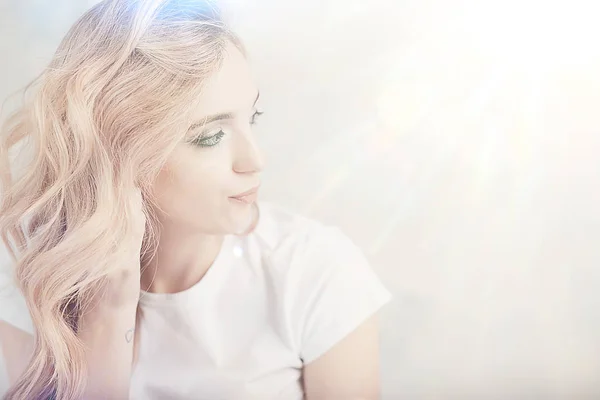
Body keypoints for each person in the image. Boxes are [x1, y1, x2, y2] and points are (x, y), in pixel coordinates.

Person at [0, 0, 392, 399]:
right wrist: (108, 312)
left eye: (251, 117)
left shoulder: (317, 274)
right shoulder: (34, 275)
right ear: (119, 153)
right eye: (211, 136)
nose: (255, 160)